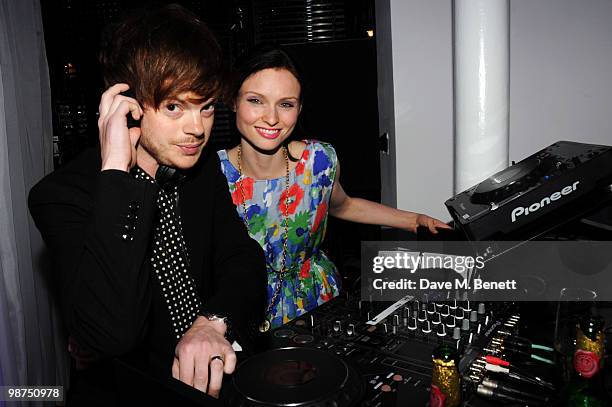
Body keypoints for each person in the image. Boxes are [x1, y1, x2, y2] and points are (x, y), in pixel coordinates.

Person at [28, 5, 266, 405]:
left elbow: (243, 259)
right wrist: (117, 177)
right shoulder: (62, 196)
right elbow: (110, 334)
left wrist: (212, 323)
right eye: (175, 107)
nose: (198, 128)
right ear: (127, 104)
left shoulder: (201, 168)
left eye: (205, 106)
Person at [217, 45, 451, 330]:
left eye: (286, 104)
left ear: (299, 108)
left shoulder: (318, 162)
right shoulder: (211, 177)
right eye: (256, 100)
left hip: (317, 303)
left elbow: (345, 205)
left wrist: (414, 221)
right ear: (232, 101)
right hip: (241, 310)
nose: (271, 117)